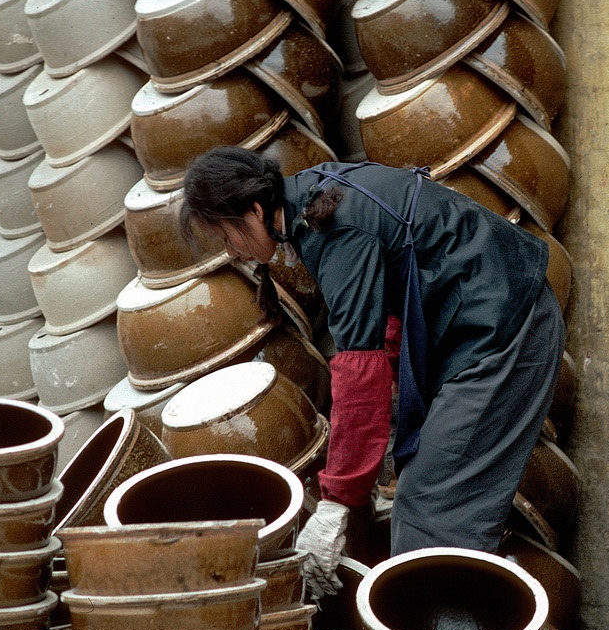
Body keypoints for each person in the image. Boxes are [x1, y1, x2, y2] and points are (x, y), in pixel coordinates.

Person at [181, 146, 566, 597]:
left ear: (254, 209)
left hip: (508, 328)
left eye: (227, 235)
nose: (231, 251)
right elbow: (388, 315)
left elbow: (358, 373)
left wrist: (336, 503)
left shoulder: (334, 227)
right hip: (482, 319)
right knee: (421, 488)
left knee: (431, 512)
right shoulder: (313, 196)